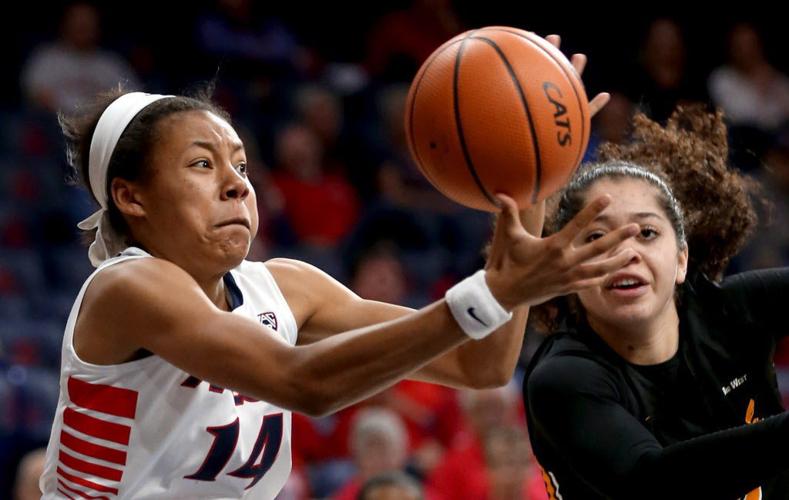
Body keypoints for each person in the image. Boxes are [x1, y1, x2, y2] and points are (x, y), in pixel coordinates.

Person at [38, 38, 633, 498]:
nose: (235, 186)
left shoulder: (287, 289)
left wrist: (529, 188)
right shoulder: (126, 285)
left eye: (242, 166)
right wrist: (490, 294)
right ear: (131, 197)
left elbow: (479, 362)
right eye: (201, 164)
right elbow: (304, 383)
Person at [524, 106, 789, 499]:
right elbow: (653, 484)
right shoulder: (564, 379)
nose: (624, 251)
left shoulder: (733, 311)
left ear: (681, 259)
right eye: (597, 238)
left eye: (646, 232)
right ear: (569, 269)